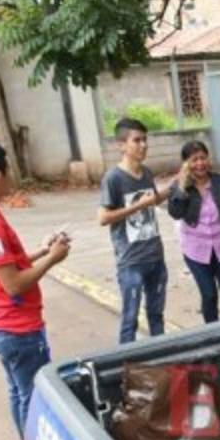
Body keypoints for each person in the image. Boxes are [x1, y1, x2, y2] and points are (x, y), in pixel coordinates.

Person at [0, 141, 71, 440]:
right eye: (7, 169)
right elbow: (13, 284)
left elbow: (3, 266)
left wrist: (42, 250)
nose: (10, 176)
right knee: (33, 397)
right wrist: (53, 259)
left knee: (18, 392)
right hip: (18, 327)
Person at [99, 117, 168, 343]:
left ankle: (162, 363)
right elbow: (103, 217)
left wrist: (178, 184)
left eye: (145, 140)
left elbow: (153, 201)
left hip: (155, 257)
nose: (143, 145)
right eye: (137, 140)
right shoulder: (113, 178)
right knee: (130, 320)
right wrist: (137, 206)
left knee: (156, 316)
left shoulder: (147, 173)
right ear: (121, 145)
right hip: (131, 262)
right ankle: (125, 370)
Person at [167, 140, 220, 322]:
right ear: (186, 164)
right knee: (209, 296)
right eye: (194, 160)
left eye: (203, 158)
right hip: (196, 252)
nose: (200, 164)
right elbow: (175, 213)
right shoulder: (179, 186)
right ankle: (213, 340)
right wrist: (181, 187)